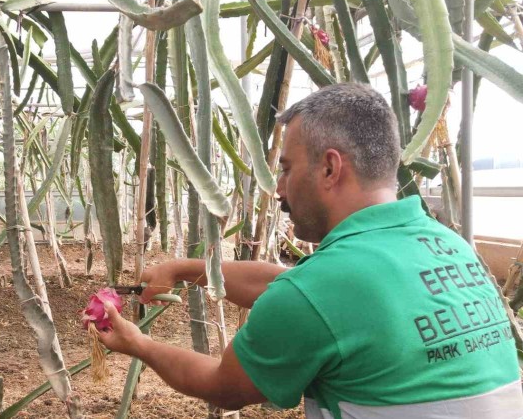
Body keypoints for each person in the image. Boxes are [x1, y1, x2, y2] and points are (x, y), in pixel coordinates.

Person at [97, 83, 523, 418]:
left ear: (330, 167)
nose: (279, 188)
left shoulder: (321, 291)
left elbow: (224, 387)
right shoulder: (446, 243)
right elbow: (301, 291)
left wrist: (139, 344)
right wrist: (185, 268)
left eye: (285, 169)